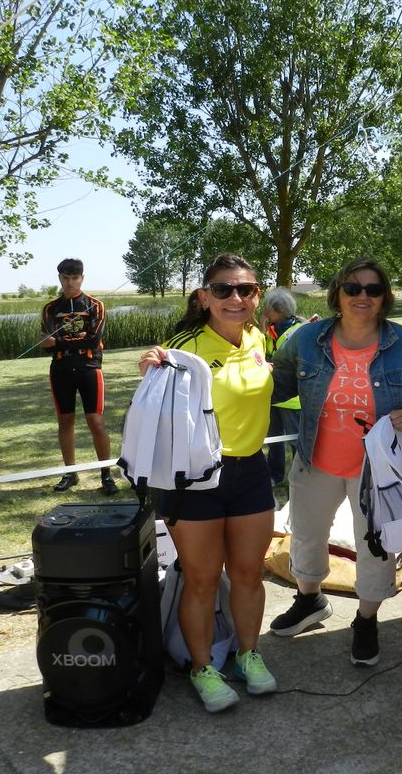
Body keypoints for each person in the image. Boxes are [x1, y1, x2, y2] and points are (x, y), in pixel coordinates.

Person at [268, 259, 402, 666]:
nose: (362, 296)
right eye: (352, 288)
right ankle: (310, 600)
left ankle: (366, 620)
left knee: (375, 545)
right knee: (307, 535)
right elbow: (276, 381)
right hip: (315, 460)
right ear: (337, 294)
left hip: (379, 470)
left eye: (372, 289)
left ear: (385, 296)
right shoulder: (307, 338)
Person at [138, 252, 277, 713]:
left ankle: (248, 654)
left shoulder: (259, 337)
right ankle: (202, 668)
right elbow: (155, 394)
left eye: (245, 289)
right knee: (201, 580)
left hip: (251, 470)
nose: (235, 298)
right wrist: (149, 365)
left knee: (248, 574)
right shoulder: (185, 346)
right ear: (204, 297)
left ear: (256, 295)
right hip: (194, 478)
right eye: (223, 289)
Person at [41, 258, 118, 495]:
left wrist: (60, 342)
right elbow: (46, 344)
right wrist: (64, 342)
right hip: (60, 370)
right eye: (66, 278)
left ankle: (106, 474)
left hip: (89, 368)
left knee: (96, 421)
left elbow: (94, 341)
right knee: (65, 421)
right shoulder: (50, 308)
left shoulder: (95, 305)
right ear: (60, 278)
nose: (70, 283)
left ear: (82, 278)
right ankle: (70, 473)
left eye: (75, 278)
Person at [261, 286, 304, 486]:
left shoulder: (299, 331)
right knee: (274, 440)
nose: (264, 312)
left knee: (296, 441)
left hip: (293, 400)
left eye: (267, 308)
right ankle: (275, 476)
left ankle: (301, 476)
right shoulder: (270, 331)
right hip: (273, 394)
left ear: (278, 310)